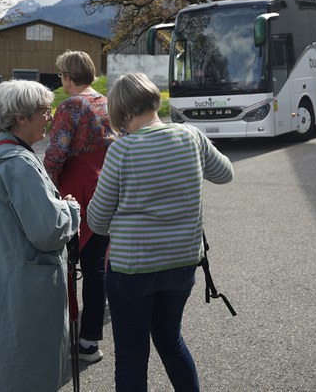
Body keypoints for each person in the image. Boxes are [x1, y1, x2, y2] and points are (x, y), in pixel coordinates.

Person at [88, 72, 234, 391]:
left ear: (125, 114)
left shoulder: (122, 152)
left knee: (131, 355)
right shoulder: (191, 136)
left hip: (131, 269)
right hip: (182, 264)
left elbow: (97, 221)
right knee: (170, 342)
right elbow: (225, 174)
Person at [0, 80, 81, 392]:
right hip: (22, 289)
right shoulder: (19, 163)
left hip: (0, 278)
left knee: (2, 363)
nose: (49, 119)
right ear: (21, 118)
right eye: (44, 112)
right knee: (24, 372)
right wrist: (71, 210)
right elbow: (48, 231)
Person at [44, 50, 114, 363]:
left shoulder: (71, 105)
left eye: (61, 75)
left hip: (78, 185)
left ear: (69, 76)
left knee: (73, 265)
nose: (60, 80)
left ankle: (74, 336)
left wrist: (44, 186)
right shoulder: (106, 100)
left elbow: (55, 155)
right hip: (106, 181)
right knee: (98, 264)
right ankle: (90, 340)